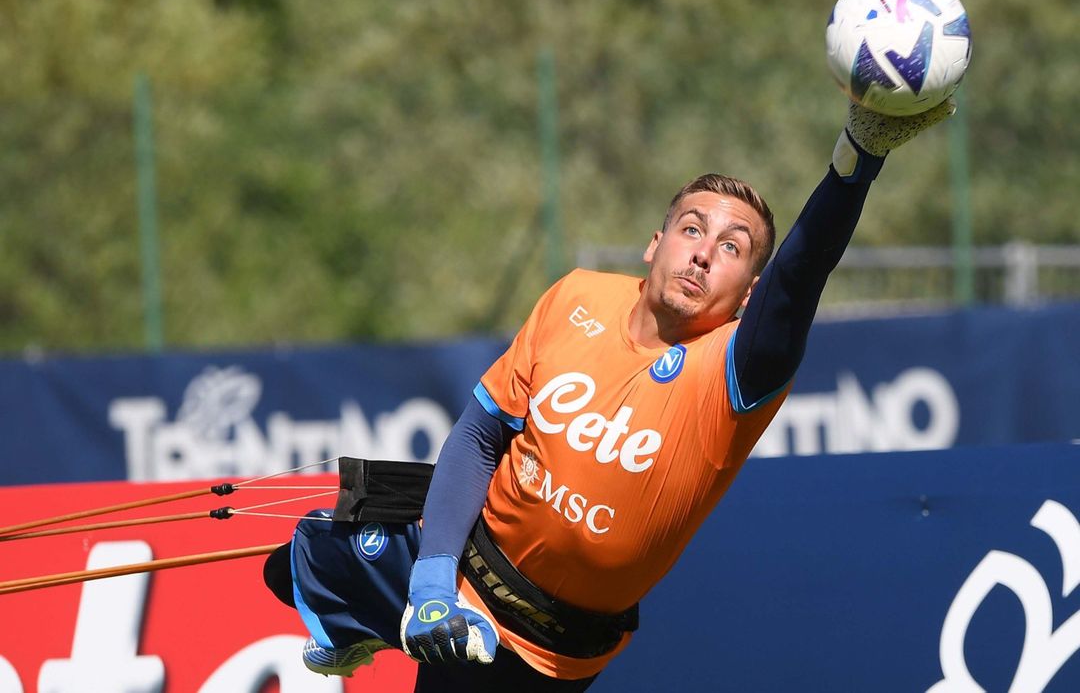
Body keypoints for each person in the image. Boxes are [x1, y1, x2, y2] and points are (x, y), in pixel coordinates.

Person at [264, 96, 956, 691]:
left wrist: (859, 154)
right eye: (692, 229)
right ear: (655, 244)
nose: (704, 251)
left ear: (748, 293)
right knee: (297, 557)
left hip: (546, 646)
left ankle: (365, 615)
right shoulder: (575, 296)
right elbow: (481, 435)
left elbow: (804, 272)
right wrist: (434, 585)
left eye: (733, 246)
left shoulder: (736, 369)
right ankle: (360, 615)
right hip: (464, 581)